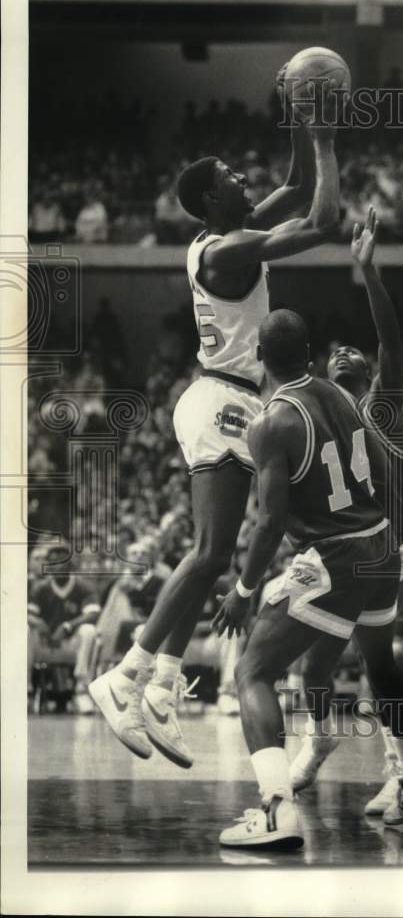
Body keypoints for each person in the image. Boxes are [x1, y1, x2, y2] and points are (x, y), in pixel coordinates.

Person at [89, 69, 340, 768]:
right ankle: (126, 673)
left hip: (229, 398)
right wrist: (326, 136)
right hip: (221, 398)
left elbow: (292, 190)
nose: (239, 179)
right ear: (208, 199)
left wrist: (294, 108)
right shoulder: (228, 250)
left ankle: (163, 687)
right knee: (208, 553)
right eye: (229, 176)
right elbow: (321, 220)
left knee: (217, 552)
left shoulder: (227, 235)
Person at [212, 309, 403, 849]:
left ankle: (275, 811)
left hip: (335, 559)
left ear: (256, 355)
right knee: (380, 662)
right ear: (312, 352)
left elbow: (271, 522)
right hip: (381, 550)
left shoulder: (270, 423)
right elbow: (385, 476)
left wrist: (245, 592)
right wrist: (402, 535)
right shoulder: (346, 398)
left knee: (252, 671)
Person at [285, 207, 403, 817]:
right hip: (343, 550)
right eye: (335, 350)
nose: (346, 351)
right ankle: (323, 738)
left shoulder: (379, 409)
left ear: (370, 374)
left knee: (377, 662)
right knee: (313, 662)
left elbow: (391, 340)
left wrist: (367, 272)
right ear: (322, 371)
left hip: (391, 545)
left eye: (356, 352)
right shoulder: (311, 417)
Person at [28, 543, 101, 713]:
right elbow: (27, 613)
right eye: (53, 562)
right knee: (25, 629)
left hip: (71, 644)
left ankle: (81, 691)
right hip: (46, 644)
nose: (58, 566)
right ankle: (27, 692)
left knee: (89, 631)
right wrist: (37, 622)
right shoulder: (41, 588)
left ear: (70, 564)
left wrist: (68, 626)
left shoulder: (84, 586)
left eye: (62, 561)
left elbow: (93, 614)